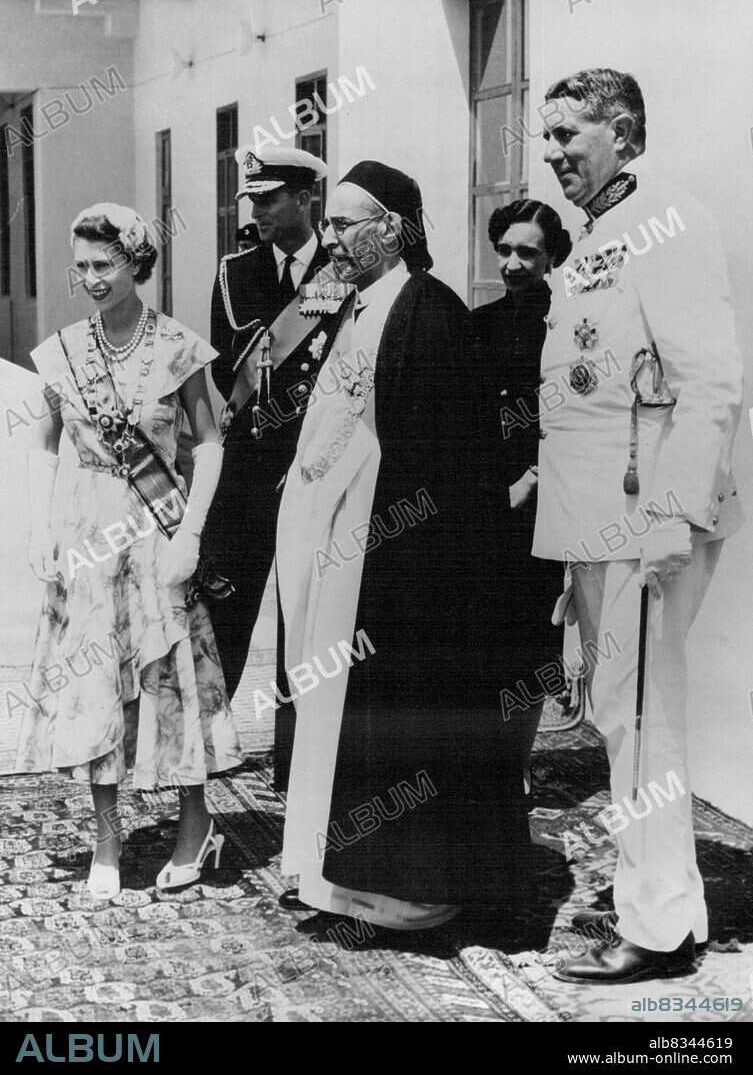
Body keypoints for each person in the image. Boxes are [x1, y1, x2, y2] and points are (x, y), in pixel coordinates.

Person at [275, 160, 531, 927]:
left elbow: (452, 464)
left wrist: (411, 559)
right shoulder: (355, 309)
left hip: (407, 565)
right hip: (346, 550)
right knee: (334, 713)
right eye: (330, 223)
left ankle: (408, 892)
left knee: (401, 721)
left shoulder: (429, 311)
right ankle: (337, 874)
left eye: (347, 222)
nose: (332, 236)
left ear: (391, 227)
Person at [532, 69, 743, 983]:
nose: (551, 155)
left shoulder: (667, 221)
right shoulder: (599, 236)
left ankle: (656, 931)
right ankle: (667, 909)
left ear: (620, 132)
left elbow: (710, 384)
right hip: (596, 520)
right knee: (623, 717)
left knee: (644, 722)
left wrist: (668, 518)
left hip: (644, 518)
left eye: (567, 137)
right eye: (546, 138)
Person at [14, 203, 242, 901]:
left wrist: (192, 536)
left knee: (173, 680)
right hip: (89, 539)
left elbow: (208, 443)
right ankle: (106, 844)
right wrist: (49, 533)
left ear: (137, 264)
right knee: (94, 690)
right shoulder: (62, 353)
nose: (90, 278)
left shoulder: (178, 346)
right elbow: (53, 449)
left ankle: (195, 826)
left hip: (155, 534)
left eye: (103, 264)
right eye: (80, 266)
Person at [201, 146, 348, 790]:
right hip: (250, 462)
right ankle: (207, 741)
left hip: (317, 461)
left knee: (305, 607)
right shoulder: (235, 273)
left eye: (270, 199)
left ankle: (298, 755)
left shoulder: (341, 271)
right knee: (224, 599)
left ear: (306, 199)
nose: (257, 211)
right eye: (252, 201)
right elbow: (219, 366)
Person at [470, 199, 572, 789]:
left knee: (535, 637)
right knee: (485, 634)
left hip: (548, 504)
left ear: (551, 256)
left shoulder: (568, 327)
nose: (512, 264)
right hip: (490, 504)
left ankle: (517, 761)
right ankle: (486, 759)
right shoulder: (475, 328)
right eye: (504, 250)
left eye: (527, 252)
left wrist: (533, 480)